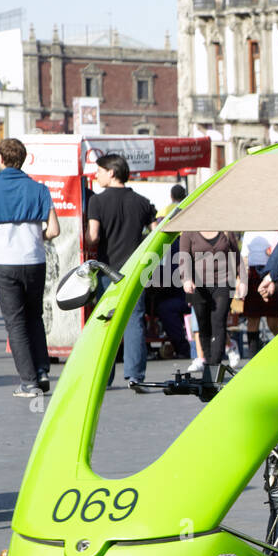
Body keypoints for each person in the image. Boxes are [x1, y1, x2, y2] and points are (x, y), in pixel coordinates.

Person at [0, 138, 60, 397]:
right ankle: (42, 371)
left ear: (1, 159)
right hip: (35, 261)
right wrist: (38, 236)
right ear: (24, 159)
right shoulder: (40, 189)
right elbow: (54, 230)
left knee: (15, 323)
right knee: (34, 317)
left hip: (6, 264)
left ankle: (28, 382)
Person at [87, 154, 156, 386]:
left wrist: (84, 238)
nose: (96, 175)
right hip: (135, 270)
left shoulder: (97, 202)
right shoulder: (142, 202)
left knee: (106, 322)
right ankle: (135, 375)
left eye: (99, 171)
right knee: (134, 320)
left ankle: (104, 377)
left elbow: (93, 236)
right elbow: (156, 233)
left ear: (111, 172)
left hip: (108, 271)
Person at [180, 229, 243, 370]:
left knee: (218, 321)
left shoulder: (225, 231)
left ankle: (214, 366)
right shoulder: (189, 232)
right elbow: (183, 258)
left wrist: (241, 279)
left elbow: (236, 256)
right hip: (197, 285)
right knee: (203, 324)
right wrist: (186, 279)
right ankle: (208, 362)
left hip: (224, 282)